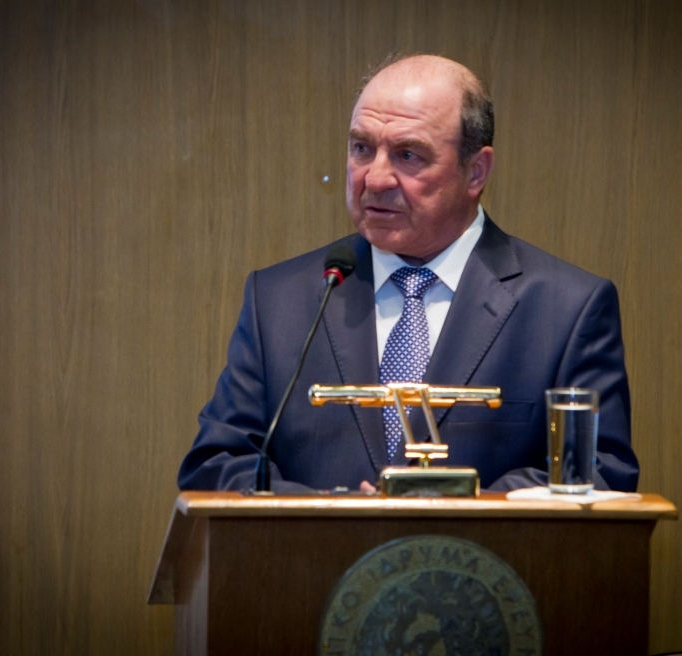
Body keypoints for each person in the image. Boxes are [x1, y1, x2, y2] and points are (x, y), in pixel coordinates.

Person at [178, 54, 639, 493]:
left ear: (476, 172)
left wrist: (454, 511)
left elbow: (601, 475)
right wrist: (333, 516)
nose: (375, 178)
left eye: (408, 155)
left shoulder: (567, 309)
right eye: (362, 148)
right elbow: (216, 465)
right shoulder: (279, 301)